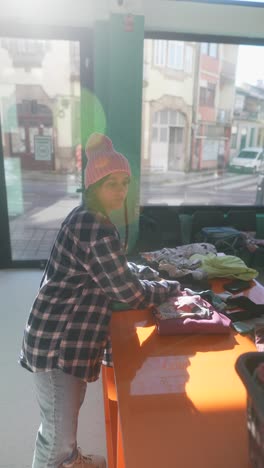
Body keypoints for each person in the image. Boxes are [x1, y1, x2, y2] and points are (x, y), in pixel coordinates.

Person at [19, 133, 181, 468]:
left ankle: (72, 459)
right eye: (112, 184)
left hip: (59, 341)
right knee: (55, 439)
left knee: (61, 429)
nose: (121, 191)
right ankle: (67, 459)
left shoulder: (89, 218)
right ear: (94, 186)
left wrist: (147, 273)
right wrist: (167, 286)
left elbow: (114, 268)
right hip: (58, 346)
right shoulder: (94, 226)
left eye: (125, 183)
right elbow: (127, 292)